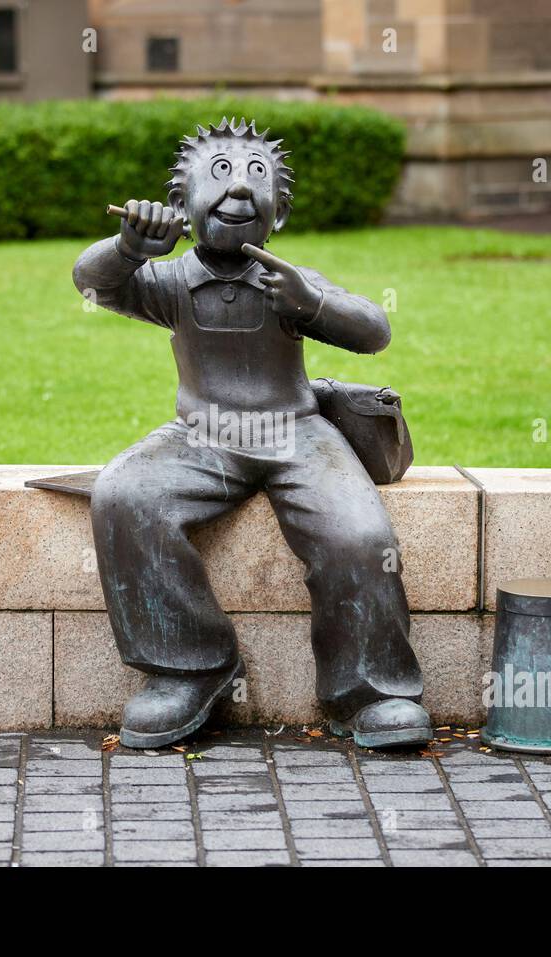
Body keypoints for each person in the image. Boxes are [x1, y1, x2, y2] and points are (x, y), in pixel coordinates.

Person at [72, 118, 429, 749]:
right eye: (220, 174)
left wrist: (310, 304)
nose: (238, 189)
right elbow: (92, 283)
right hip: (203, 434)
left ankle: (371, 691)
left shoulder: (288, 280)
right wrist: (128, 248)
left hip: (298, 433)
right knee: (125, 494)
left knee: (361, 536)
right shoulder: (168, 282)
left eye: (255, 176)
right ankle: (189, 668)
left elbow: (374, 331)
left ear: (279, 214)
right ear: (181, 205)